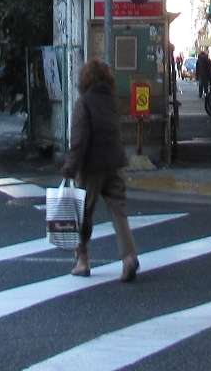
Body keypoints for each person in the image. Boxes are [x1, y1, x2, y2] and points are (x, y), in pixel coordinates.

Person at [61, 58, 139, 281]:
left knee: (84, 215)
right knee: (118, 212)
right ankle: (129, 257)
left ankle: (82, 260)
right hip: (114, 162)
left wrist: (70, 166)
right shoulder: (112, 101)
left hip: (91, 166)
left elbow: (79, 140)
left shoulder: (83, 103)